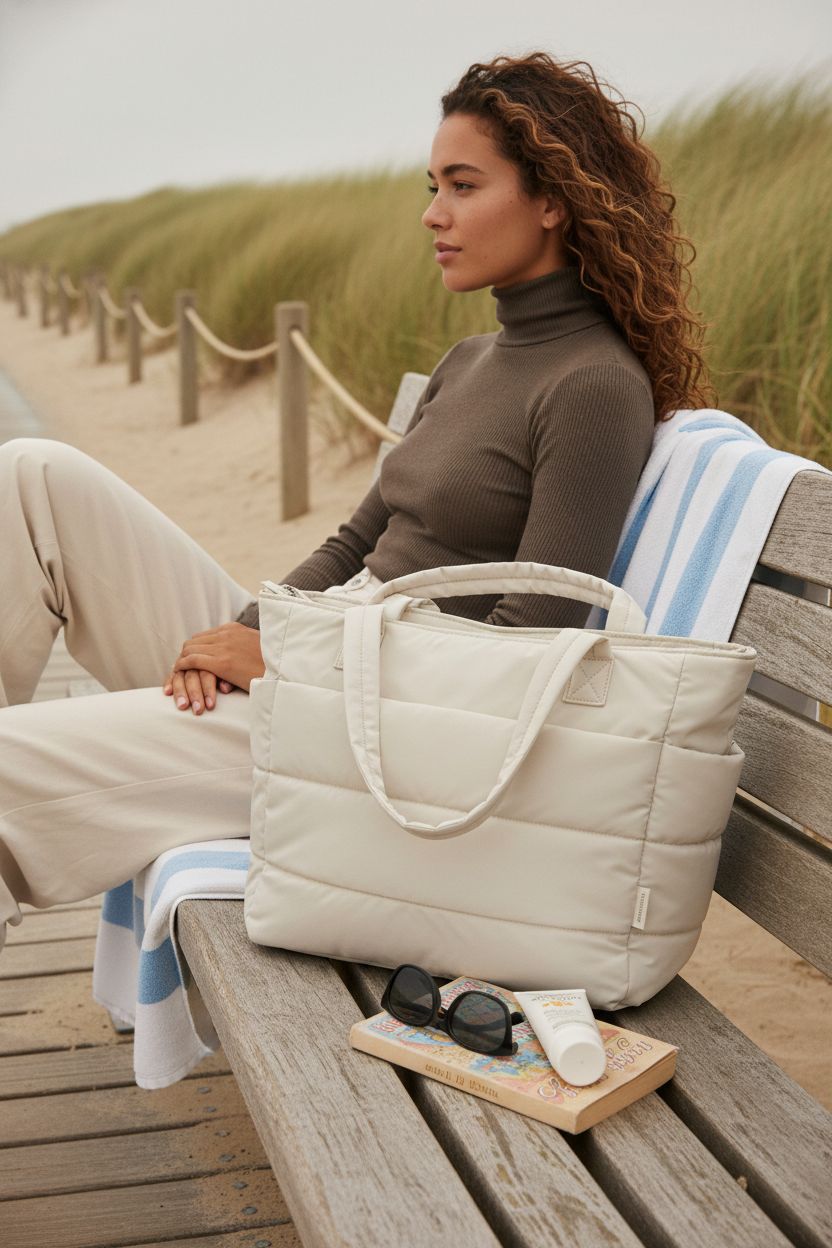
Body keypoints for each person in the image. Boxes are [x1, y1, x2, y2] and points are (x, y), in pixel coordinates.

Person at [0, 51, 712, 949]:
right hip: (319, 658)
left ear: (552, 200)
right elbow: (354, 542)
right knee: (31, 477)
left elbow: (525, 654)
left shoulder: (593, 387)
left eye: (462, 185)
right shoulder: (472, 362)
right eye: (432, 185)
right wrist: (255, 631)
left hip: (376, 742)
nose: (433, 214)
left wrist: (295, 671)